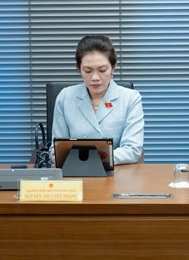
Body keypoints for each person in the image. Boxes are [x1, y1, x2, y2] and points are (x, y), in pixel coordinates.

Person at [51, 35, 144, 165]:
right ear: (79, 69)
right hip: (74, 172)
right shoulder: (65, 97)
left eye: (102, 70)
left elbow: (132, 150)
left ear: (113, 67)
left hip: (117, 171)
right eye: (88, 71)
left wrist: (91, 158)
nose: (95, 77)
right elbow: (56, 150)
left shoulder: (130, 98)